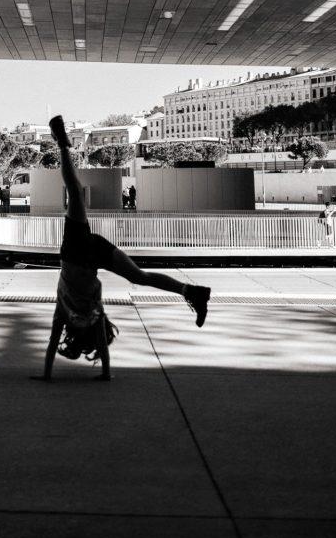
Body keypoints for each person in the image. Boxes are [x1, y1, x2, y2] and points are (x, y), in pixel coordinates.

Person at [33, 115, 211, 382]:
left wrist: (105, 373)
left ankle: (192, 292)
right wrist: (46, 375)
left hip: (89, 253)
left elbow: (94, 346)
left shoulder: (93, 314)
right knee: (74, 189)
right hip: (78, 249)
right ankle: (62, 143)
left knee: (140, 276)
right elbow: (51, 345)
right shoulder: (67, 313)